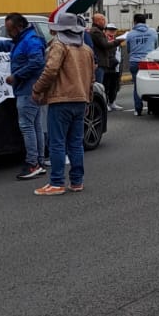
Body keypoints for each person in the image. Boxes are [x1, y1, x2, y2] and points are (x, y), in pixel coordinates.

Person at [0, 13, 47, 179]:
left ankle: (33, 163)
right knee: (35, 126)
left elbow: (37, 62)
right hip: (26, 89)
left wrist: (16, 76)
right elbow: (5, 45)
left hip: (28, 90)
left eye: (10, 29)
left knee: (28, 126)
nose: (8, 33)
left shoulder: (30, 41)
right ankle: (39, 161)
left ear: (19, 27)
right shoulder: (22, 40)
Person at [32, 13, 96, 195]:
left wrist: (37, 89)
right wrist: (88, 100)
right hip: (81, 99)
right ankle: (77, 181)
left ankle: (57, 182)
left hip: (60, 99)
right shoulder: (86, 50)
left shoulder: (59, 46)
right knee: (76, 143)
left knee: (57, 142)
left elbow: (50, 70)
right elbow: (91, 79)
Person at [125, 14, 156, 115]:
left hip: (134, 62)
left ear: (135, 21)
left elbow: (128, 50)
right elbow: (156, 45)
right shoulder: (152, 32)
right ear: (145, 21)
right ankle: (151, 108)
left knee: (137, 86)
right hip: (148, 61)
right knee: (150, 84)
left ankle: (138, 109)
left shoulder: (130, 34)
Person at [89, 13, 114, 85]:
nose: (104, 21)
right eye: (102, 19)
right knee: (98, 85)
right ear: (97, 21)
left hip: (100, 62)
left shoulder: (98, 31)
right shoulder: (96, 31)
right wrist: (117, 41)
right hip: (99, 63)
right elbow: (105, 45)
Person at [103, 25, 122, 107]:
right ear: (105, 31)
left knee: (115, 86)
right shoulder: (104, 41)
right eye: (110, 30)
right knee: (106, 86)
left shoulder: (116, 41)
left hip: (116, 67)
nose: (112, 32)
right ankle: (106, 103)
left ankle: (112, 102)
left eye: (113, 30)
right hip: (108, 67)